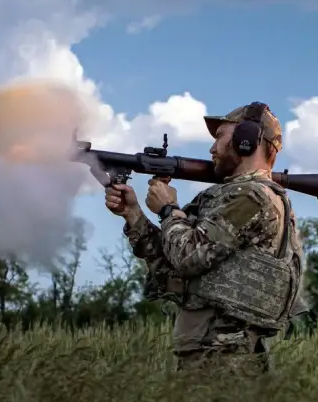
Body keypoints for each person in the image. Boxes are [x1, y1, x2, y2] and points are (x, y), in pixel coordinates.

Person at [104, 101, 306, 374]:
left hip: (223, 357)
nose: (212, 148)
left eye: (220, 137)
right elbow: (173, 264)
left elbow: (189, 257)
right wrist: (133, 214)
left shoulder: (252, 197)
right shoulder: (231, 196)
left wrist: (168, 210)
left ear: (246, 140)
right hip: (211, 351)